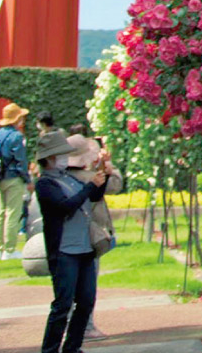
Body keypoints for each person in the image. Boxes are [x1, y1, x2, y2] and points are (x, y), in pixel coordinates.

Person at [34, 132, 105, 353]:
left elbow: (93, 197)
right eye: (60, 155)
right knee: (63, 304)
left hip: (84, 248)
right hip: (64, 251)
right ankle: (50, 349)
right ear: (49, 158)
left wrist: (101, 179)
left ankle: (72, 347)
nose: (65, 159)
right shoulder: (45, 184)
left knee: (86, 301)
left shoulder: (70, 178)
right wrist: (89, 186)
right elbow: (66, 206)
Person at [65, 134, 121, 340]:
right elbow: (115, 185)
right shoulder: (90, 178)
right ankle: (86, 327)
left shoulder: (61, 178)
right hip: (88, 236)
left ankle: (70, 325)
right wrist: (109, 167)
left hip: (66, 238)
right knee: (87, 285)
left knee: (68, 285)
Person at [0, 103, 30, 260]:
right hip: (13, 177)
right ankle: (9, 249)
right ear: (17, 119)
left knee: (1, 213)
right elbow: (20, 159)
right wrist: (26, 178)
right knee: (13, 213)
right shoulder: (17, 136)